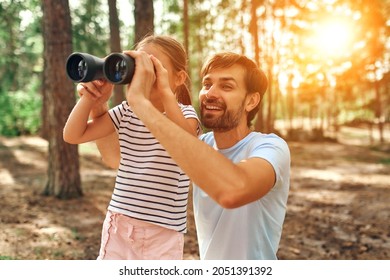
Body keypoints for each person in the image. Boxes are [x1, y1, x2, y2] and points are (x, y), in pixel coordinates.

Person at [96, 51, 291, 260]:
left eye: (226, 86)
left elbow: (233, 190)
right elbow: (117, 159)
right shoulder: (199, 145)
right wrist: (97, 106)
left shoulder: (270, 147)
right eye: (207, 85)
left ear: (251, 101)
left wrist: (140, 103)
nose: (210, 93)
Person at [63, 35, 202, 260]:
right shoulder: (127, 111)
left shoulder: (185, 114)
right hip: (119, 222)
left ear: (179, 78)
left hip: (163, 232)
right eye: (138, 67)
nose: (144, 75)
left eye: (153, 67)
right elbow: (73, 135)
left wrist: (166, 94)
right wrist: (91, 98)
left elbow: (187, 142)